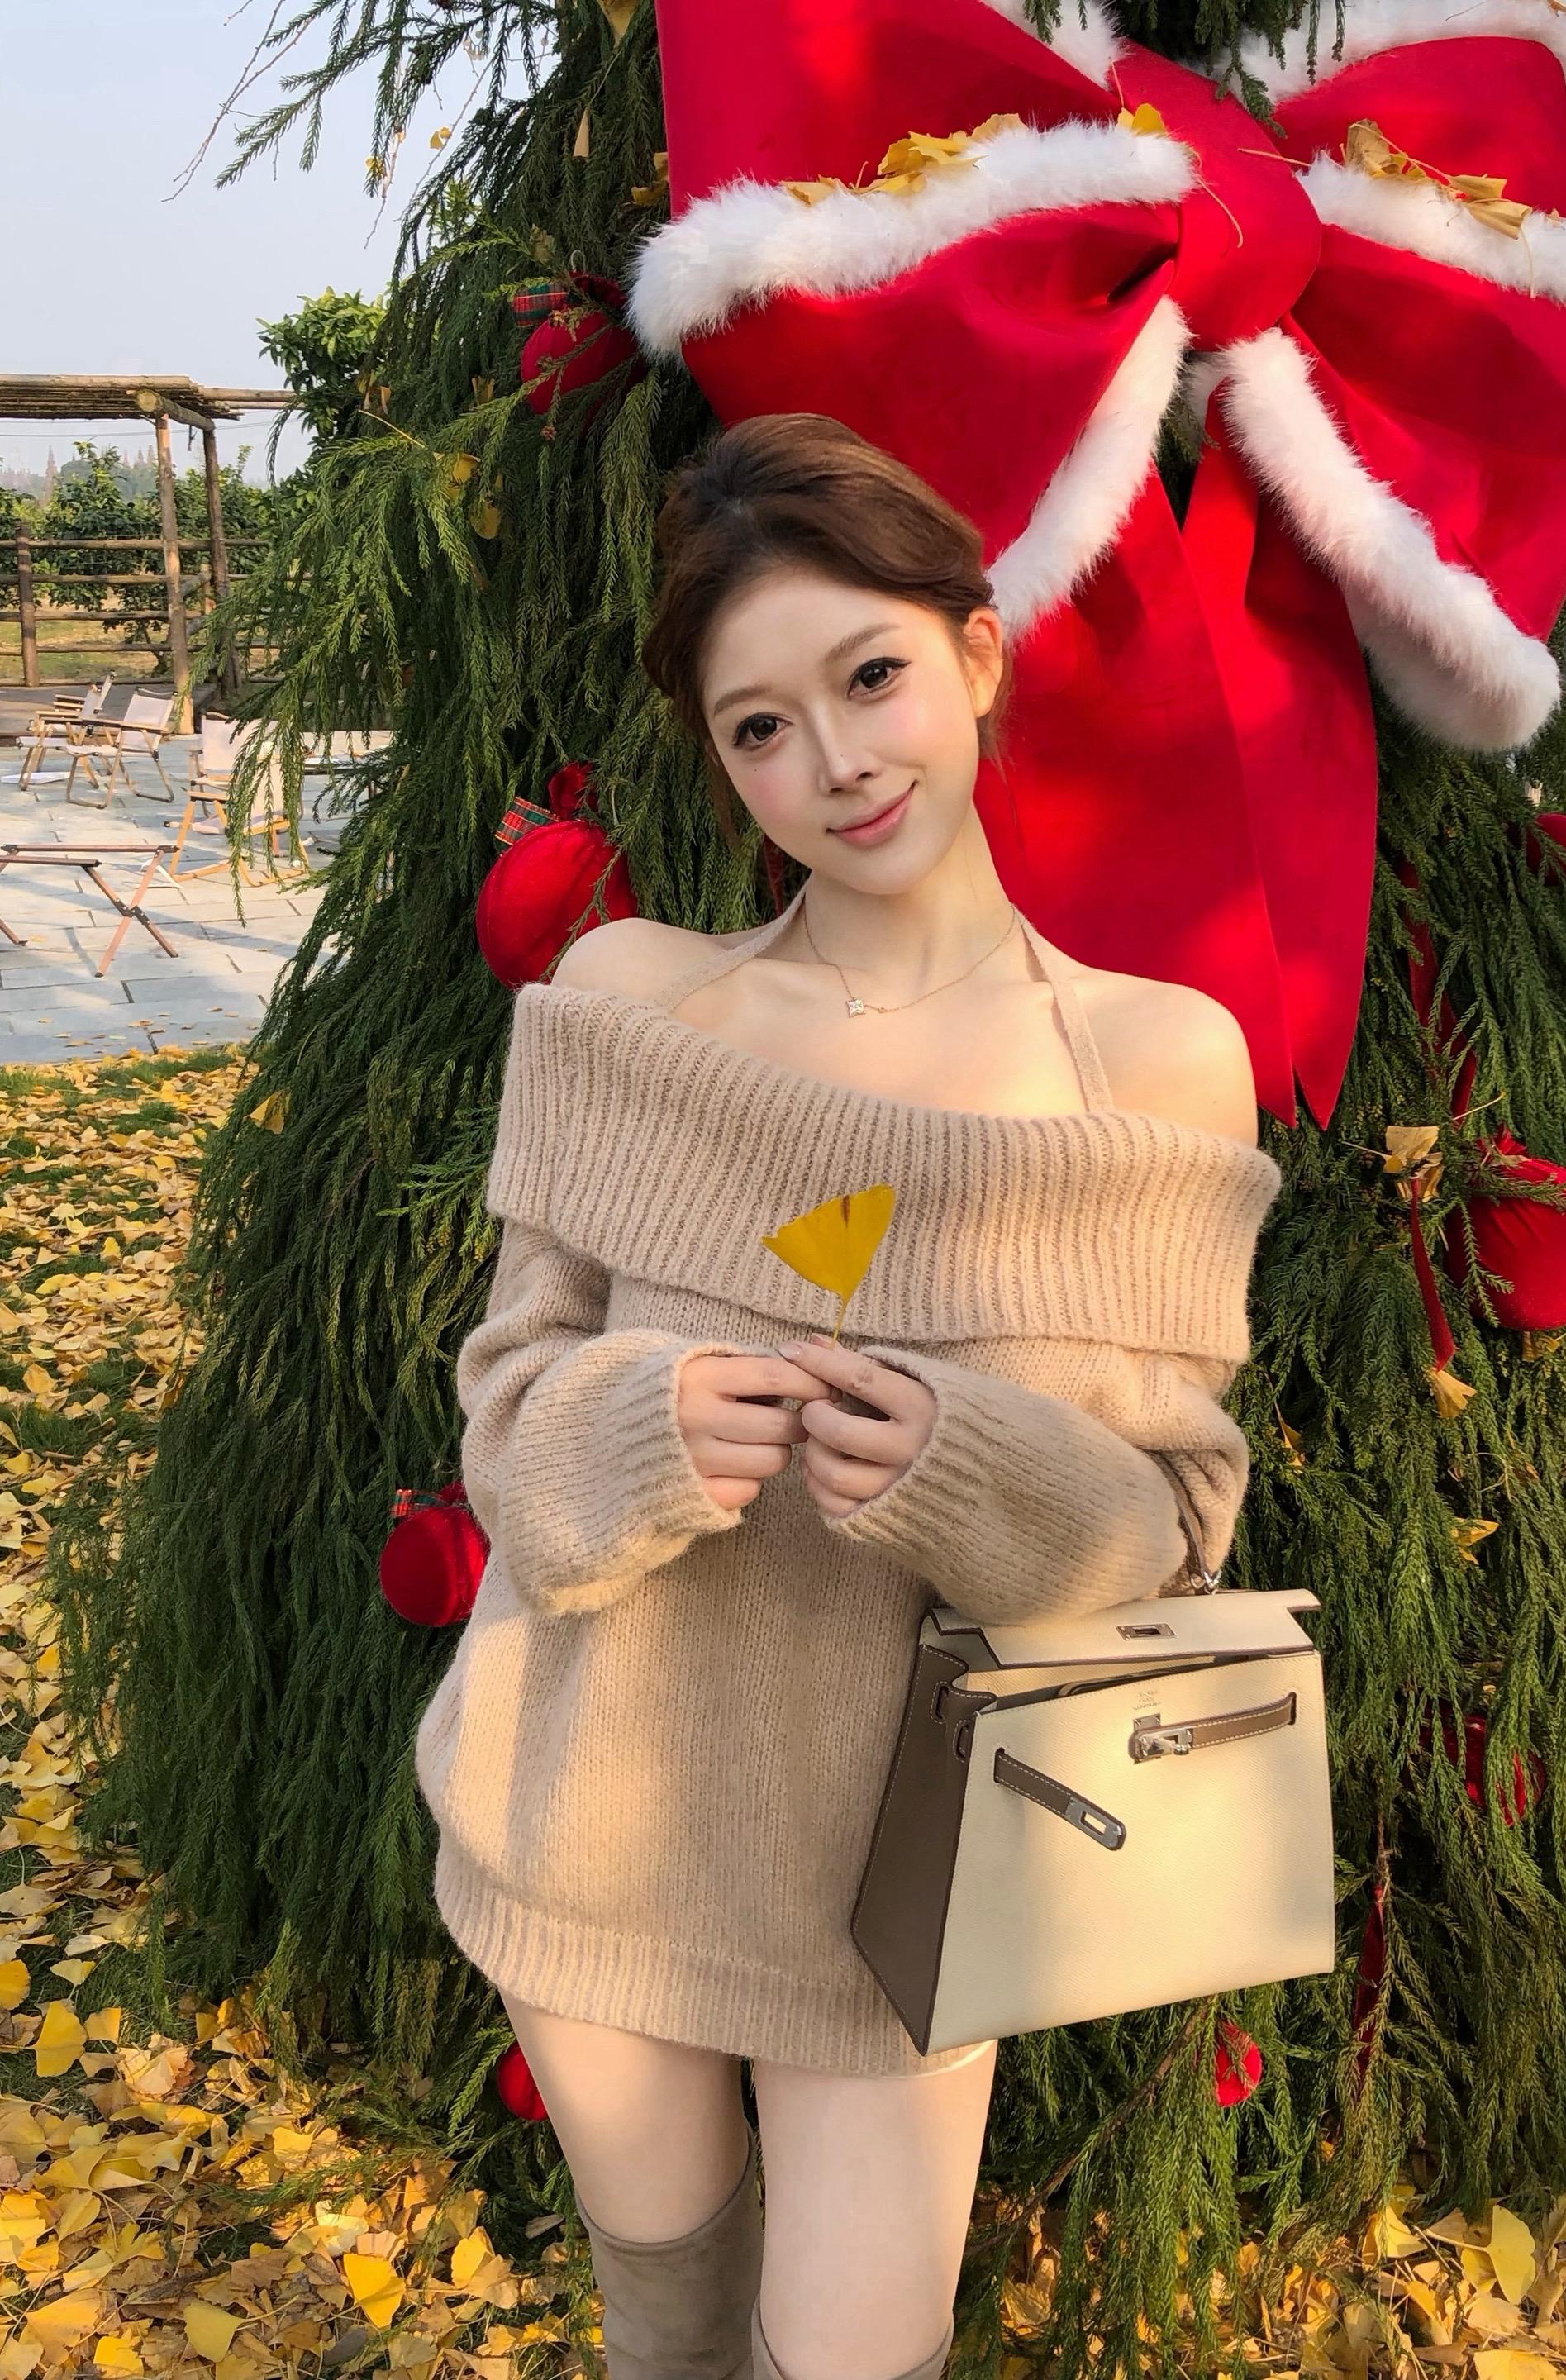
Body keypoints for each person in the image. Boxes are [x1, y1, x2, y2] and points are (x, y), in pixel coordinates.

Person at [413, 412, 1281, 2380]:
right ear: (719, 758)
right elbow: (506, 1407)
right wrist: (636, 1430)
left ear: (975, 651)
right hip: (586, 1806)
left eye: (871, 676)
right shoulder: (634, 1005)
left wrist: (972, 1470)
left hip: (907, 1889)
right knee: (666, 2314)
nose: (836, 761)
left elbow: (1173, 1528)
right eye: (761, 727)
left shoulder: (1156, 1064)